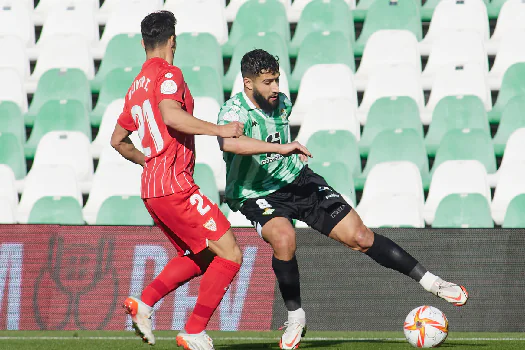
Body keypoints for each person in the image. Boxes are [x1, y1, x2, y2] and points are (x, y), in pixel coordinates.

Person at [216, 49, 469, 350]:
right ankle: (296, 317)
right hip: (255, 193)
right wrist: (282, 149)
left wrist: (285, 156)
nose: (275, 88)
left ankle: (433, 283)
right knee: (284, 238)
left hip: (298, 180)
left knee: (361, 236)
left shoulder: (282, 103)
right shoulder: (233, 112)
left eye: (277, 80)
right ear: (248, 83)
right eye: (267, 82)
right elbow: (229, 143)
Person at [110, 11, 245, 350]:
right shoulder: (170, 74)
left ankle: (144, 302)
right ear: (172, 41)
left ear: (143, 44)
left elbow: (117, 140)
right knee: (230, 254)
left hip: (152, 189)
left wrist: (148, 161)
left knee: (202, 256)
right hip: (175, 184)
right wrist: (220, 129)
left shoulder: (134, 88)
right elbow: (171, 115)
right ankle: (194, 330)